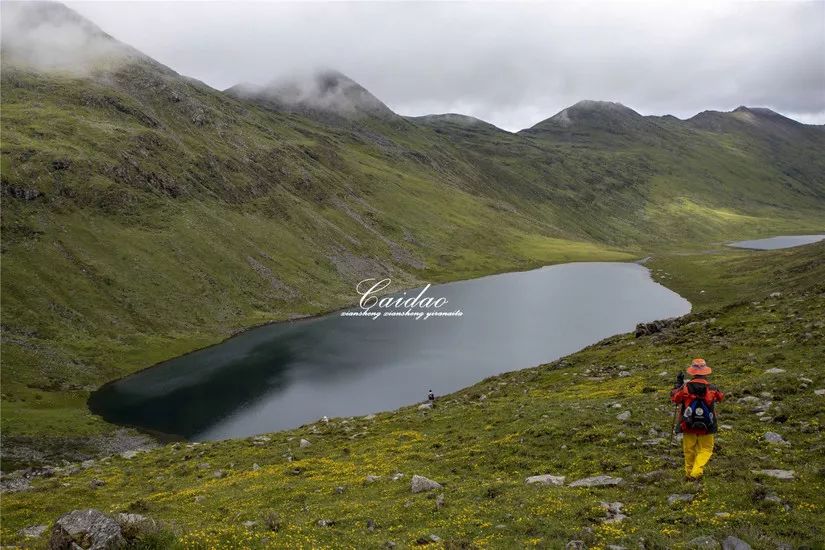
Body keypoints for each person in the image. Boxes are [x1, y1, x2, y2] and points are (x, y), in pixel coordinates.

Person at [670, 358, 725, 480]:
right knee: (706, 449)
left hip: (688, 424)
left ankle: (689, 475)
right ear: (705, 372)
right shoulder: (712, 388)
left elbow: (674, 398)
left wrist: (678, 384)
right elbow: (721, 397)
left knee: (689, 450)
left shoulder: (685, 387)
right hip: (707, 425)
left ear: (692, 372)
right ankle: (697, 471)